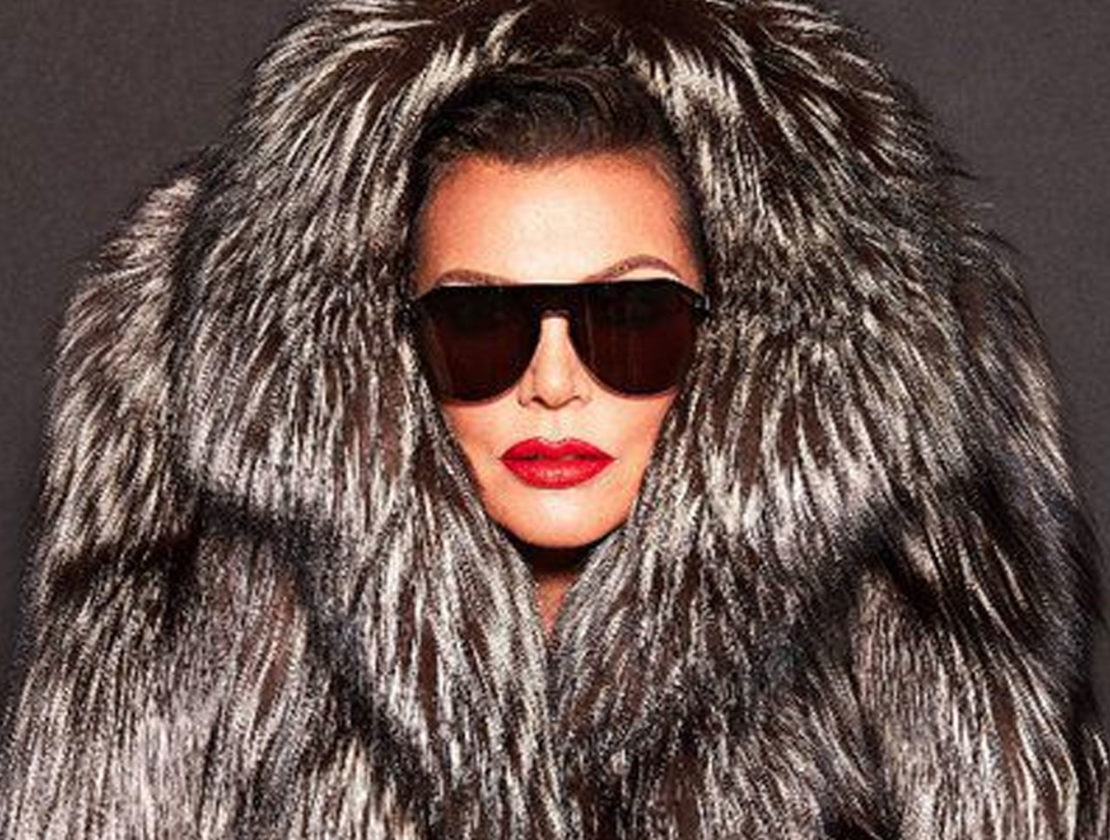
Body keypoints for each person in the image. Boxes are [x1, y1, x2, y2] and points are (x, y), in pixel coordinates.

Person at [1, 0, 1106, 837]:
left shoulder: (884, 659)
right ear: (389, 351)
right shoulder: (236, 666)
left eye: (633, 319)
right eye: (478, 324)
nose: (553, 380)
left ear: (738, 345)